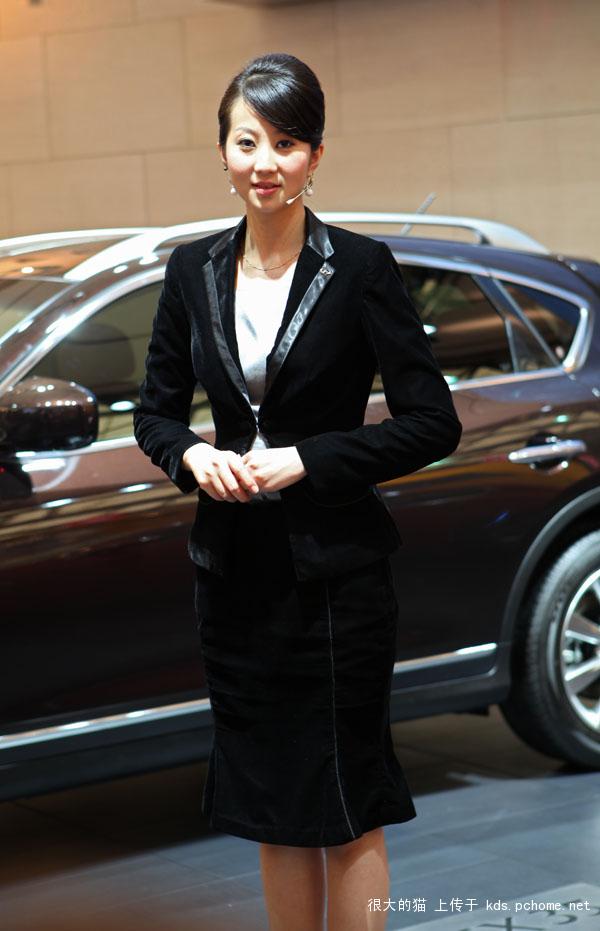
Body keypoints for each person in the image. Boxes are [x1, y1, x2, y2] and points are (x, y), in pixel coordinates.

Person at [133, 52, 462, 931]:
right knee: (271, 802)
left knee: (348, 799)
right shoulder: (191, 271)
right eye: (248, 141)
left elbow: (433, 423)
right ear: (222, 150)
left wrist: (310, 458)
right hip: (234, 578)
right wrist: (192, 457)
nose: (265, 162)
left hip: (337, 583)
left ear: (316, 155)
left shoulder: (359, 267)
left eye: (286, 143)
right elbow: (154, 413)